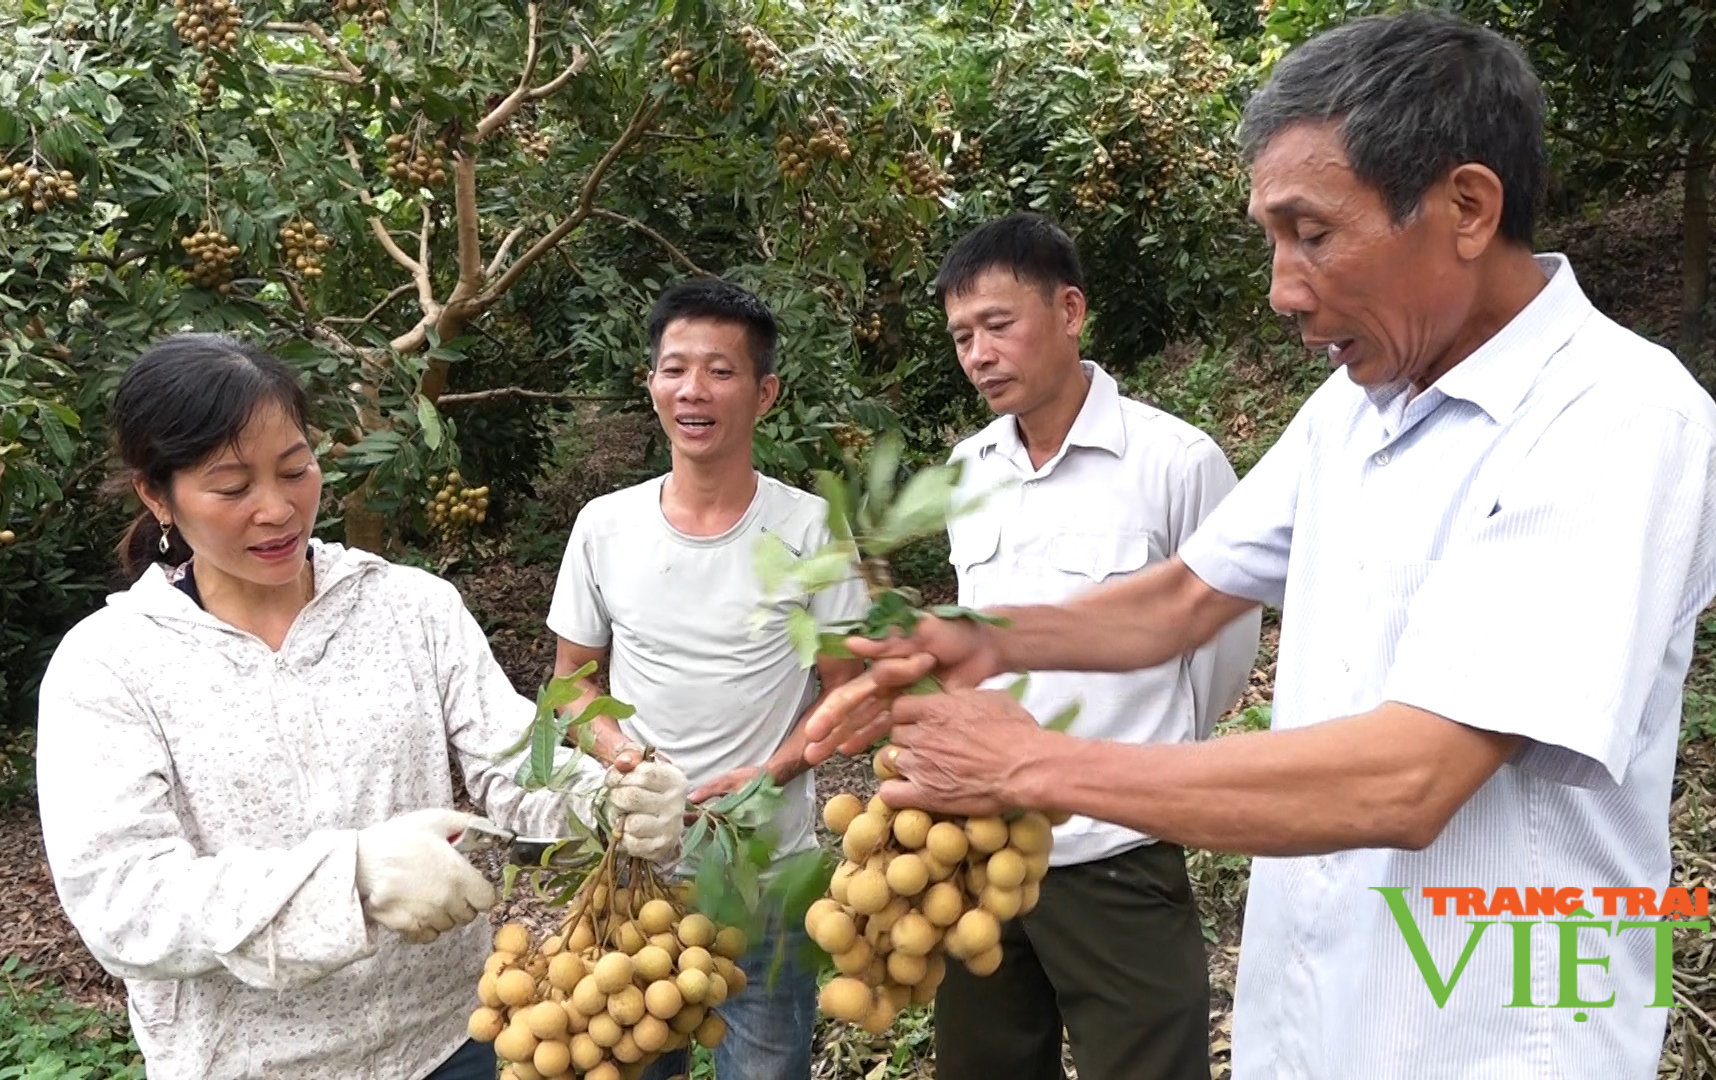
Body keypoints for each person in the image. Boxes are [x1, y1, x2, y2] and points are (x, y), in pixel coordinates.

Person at [801, 12, 1716, 1080]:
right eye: (1272, 239)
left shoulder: (1617, 417)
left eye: (1312, 233)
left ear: (1467, 206)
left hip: (1492, 1037)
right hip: (1316, 1013)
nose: (1282, 287)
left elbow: (1411, 781)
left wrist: (1036, 761)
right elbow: (1188, 594)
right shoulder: (1356, 408)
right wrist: (986, 639)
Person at [34, 334, 688, 1080]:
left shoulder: (411, 606)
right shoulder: (110, 665)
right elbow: (127, 903)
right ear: (158, 495)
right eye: (231, 487)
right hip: (247, 1065)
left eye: (295, 468)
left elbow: (514, 755)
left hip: (456, 1042)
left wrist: (608, 797)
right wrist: (353, 875)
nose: (277, 510)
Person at [928, 212, 1260, 1080]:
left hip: (1116, 852)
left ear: (1070, 310)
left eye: (999, 325)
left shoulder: (1174, 462)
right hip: (981, 853)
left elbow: (1220, 651)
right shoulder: (966, 470)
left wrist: (1147, 767)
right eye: (963, 335)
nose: (979, 354)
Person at [545, 278, 869, 1080]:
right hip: (634, 871)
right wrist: (626, 762)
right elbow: (570, 688)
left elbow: (850, 692)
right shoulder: (605, 526)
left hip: (764, 875)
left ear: (764, 394)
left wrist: (772, 771)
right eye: (674, 368)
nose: (693, 390)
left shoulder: (809, 528)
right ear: (651, 383)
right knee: (628, 1061)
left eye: (720, 371)